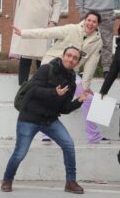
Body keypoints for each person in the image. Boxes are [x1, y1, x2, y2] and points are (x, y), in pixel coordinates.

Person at [1, 47, 88, 193]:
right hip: (29, 117)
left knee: (68, 145)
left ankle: (70, 182)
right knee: (20, 152)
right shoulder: (46, 69)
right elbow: (33, 90)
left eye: (75, 58)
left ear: (77, 62)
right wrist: (54, 92)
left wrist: (79, 101)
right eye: (69, 55)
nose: (71, 59)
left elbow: (64, 109)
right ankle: (7, 179)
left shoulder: (71, 80)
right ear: (63, 56)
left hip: (50, 120)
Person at [15, 12, 106, 144]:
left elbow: (90, 66)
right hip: (50, 69)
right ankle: (45, 133)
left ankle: (94, 136)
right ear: (84, 20)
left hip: (70, 73)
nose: (90, 24)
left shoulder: (97, 42)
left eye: (94, 22)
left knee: (89, 99)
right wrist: (23, 33)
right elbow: (47, 33)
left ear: (98, 24)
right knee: (47, 95)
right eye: (89, 20)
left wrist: (85, 88)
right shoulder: (72, 29)